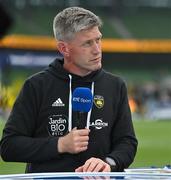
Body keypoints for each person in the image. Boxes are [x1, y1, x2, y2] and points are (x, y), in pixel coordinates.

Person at [0, 7, 138, 173]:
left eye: (98, 40)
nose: (97, 49)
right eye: (87, 43)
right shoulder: (36, 85)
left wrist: (108, 162)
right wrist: (60, 145)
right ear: (64, 49)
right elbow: (9, 147)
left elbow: (127, 142)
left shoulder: (115, 85)